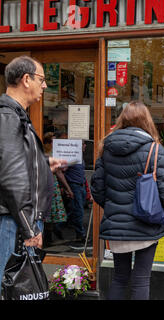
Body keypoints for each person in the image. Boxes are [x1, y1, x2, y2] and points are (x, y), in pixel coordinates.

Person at [91, 101, 164, 300]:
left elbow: (97, 189)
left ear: (122, 119)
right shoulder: (155, 149)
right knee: (141, 279)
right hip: (146, 223)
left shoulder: (106, 148)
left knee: (119, 278)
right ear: (146, 120)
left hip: (116, 224)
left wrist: (114, 207)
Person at [0, 56, 66, 295]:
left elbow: (16, 162)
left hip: (18, 220)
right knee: (12, 287)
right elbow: (10, 178)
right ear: (26, 80)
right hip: (14, 223)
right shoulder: (9, 117)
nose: (45, 85)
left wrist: (44, 163)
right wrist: (29, 230)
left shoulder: (16, 116)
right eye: (42, 79)